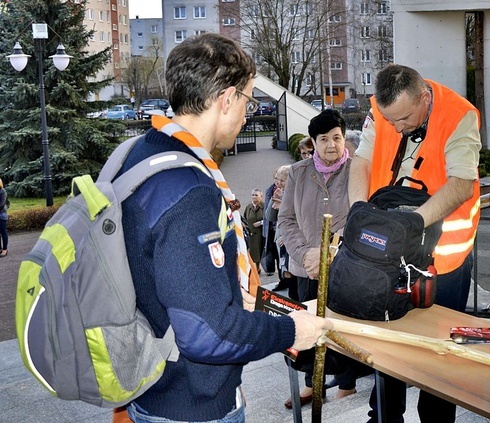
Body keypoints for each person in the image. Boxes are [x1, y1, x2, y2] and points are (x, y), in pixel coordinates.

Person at [115, 33, 331, 422]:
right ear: (226, 99)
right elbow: (207, 335)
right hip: (191, 403)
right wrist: (290, 332)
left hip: (154, 384)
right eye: (248, 99)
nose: (248, 113)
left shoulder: (139, 152)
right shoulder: (188, 188)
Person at [348, 64, 481, 422]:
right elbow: (360, 163)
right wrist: (357, 214)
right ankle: (384, 417)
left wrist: (413, 222)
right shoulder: (383, 110)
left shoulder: (459, 115)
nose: (397, 127)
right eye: (390, 120)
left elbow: (461, 184)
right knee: (388, 347)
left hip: (443, 262)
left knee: (439, 356)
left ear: (424, 98)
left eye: (404, 119)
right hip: (390, 257)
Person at [278, 108, 360, 408]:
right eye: (323, 139)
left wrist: (330, 251)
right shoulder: (298, 174)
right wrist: (305, 254)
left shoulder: (356, 171)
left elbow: (359, 218)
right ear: (313, 142)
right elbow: (286, 220)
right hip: (306, 269)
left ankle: (347, 384)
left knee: (342, 327)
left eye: (336, 138)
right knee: (307, 330)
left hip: (342, 268)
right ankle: (313, 385)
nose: (331, 145)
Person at [265, 165, 299, 300]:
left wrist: (283, 205)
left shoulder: (298, 193)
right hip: (280, 241)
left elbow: (302, 219)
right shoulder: (279, 192)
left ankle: (297, 302)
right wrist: (274, 202)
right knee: (285, 271)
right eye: (277, 179)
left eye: (282, 180)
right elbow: (269, 217)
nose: (278, 183)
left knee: (293, 272)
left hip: (293, 241)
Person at [242, 188, 265, 272]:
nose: (254, 197)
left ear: (261, 197)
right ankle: (256, 268)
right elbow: (245, 219)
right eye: (253, 195)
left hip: (261, 233)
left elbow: (269, 219)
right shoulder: (248, 207)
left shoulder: (264, 206)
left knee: (262, 251)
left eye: (256, 195)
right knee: (253, 252)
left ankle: (267, 267)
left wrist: (261, 222)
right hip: (251, 234)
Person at [0, 178, 8, 257]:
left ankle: (5, 249)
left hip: (1, 215)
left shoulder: (2, 191)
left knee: (3, 233)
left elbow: (2, 204)